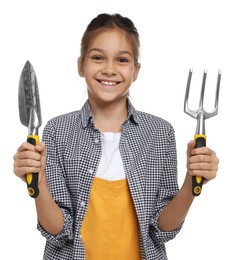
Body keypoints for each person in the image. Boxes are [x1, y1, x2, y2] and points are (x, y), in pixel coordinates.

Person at [13, 13, 219, 260]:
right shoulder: (58, 131)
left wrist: (191, 182)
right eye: (98, 57)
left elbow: (162, 229)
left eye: (122, 59)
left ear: (136, 70)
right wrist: (39, 181)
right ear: (81, 65)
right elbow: (58, 230)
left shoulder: (160, 133)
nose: (109, 69)